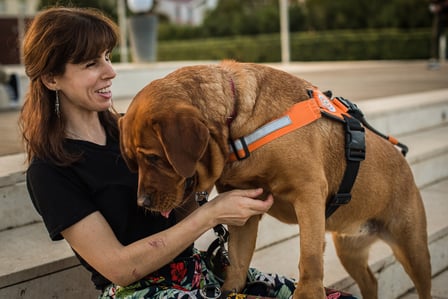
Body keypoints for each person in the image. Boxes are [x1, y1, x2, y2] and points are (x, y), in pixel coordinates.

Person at [19, 6, 356, 299]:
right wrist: (210, 215)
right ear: (51, 78)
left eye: (108, 57)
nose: (110, 72)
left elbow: (186, 193)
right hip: (140, 293)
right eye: (91, 63)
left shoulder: (129, 130)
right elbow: (120, 268)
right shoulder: (50, 170)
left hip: (200, 272)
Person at [428, 0, 448, 69]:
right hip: (440, 15)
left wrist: (441, 6)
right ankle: (435, 60)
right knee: (435, 36)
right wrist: (433, 7)